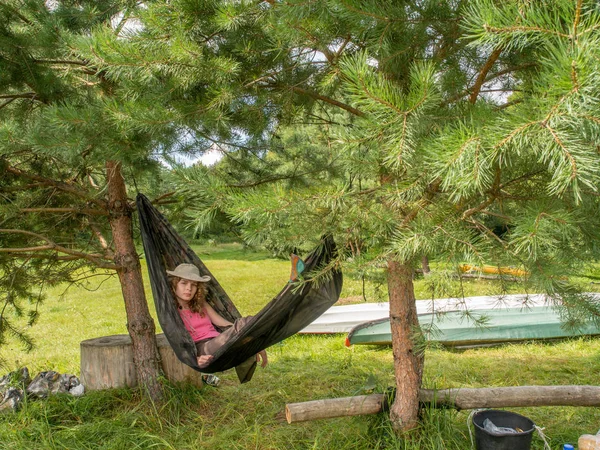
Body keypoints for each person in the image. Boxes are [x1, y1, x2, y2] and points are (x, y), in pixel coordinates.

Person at [167, 263, 268, 372]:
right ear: (174, 284)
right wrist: (194, 359)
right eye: (184, 283)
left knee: (245, 323)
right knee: (245, 323)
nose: (189, 288)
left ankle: (258, 339)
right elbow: (177, 341)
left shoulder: (201, 303)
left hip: (218, 340)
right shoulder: (172, 311)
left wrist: (242, 332)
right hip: (202, 348)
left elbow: (221, 322)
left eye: (194, 284)